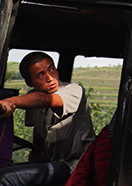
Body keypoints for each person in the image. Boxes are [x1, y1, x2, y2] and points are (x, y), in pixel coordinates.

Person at [0, 52, 96, 186]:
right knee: (6, 169)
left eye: (52, 69)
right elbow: (39, 132)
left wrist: (8, 102)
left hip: (76, 165)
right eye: (41, 75)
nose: (50, 78)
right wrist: (35, 153)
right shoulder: (31, 98)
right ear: (29, 82)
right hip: (53, 160)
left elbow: (45, 100)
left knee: (3, 178)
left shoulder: (73, 90)